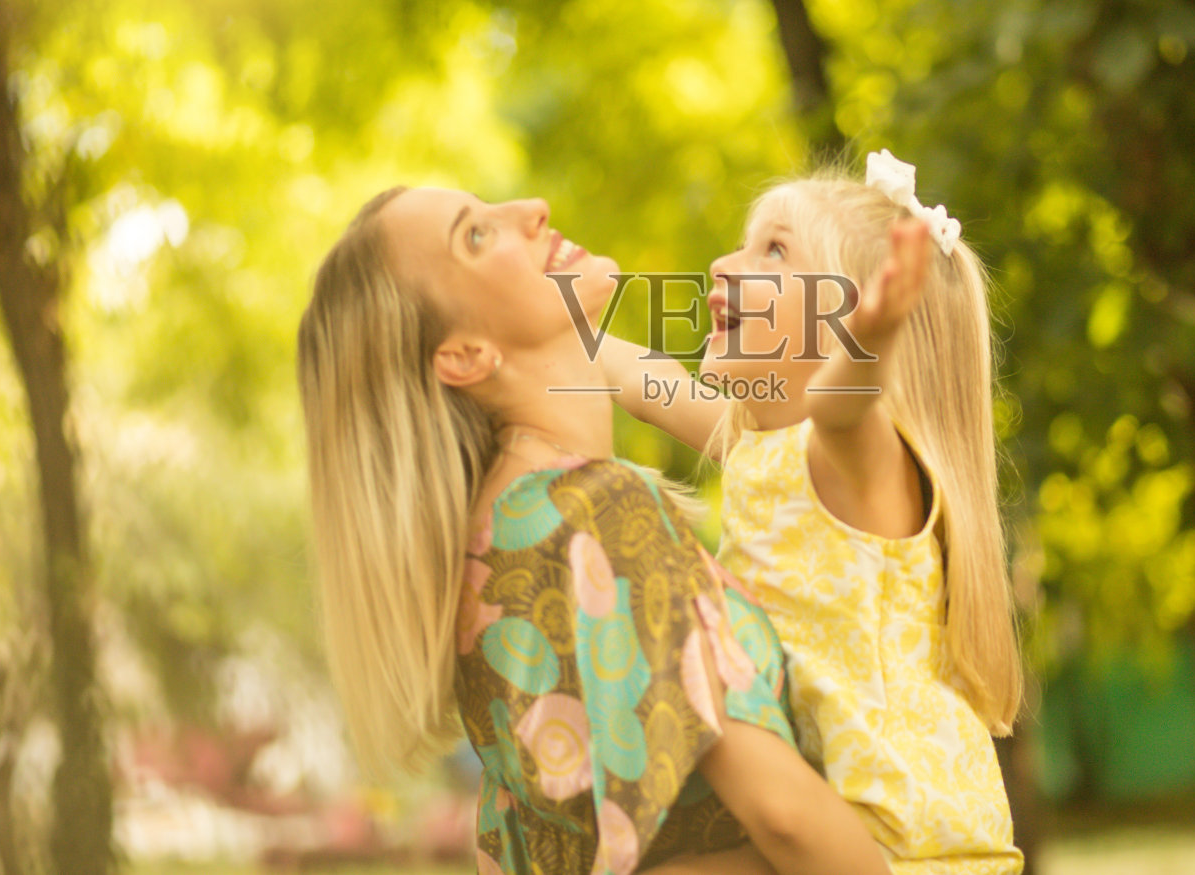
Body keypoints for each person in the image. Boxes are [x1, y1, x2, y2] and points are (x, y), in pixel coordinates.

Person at [296, 186, 893, 875]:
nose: (534, 207)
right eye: (477, 236)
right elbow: (785, 817)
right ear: (462, 354)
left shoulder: (495, 549)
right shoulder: (597, 517)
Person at [602, 152, 1026, 873]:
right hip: (830, 823)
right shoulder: (758, 450)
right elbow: (646, 381)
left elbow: (841, 408)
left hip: (919, 846)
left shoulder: (865, 465)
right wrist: (536, 316)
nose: (724, 265)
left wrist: (868, 342)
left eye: (774, 249)